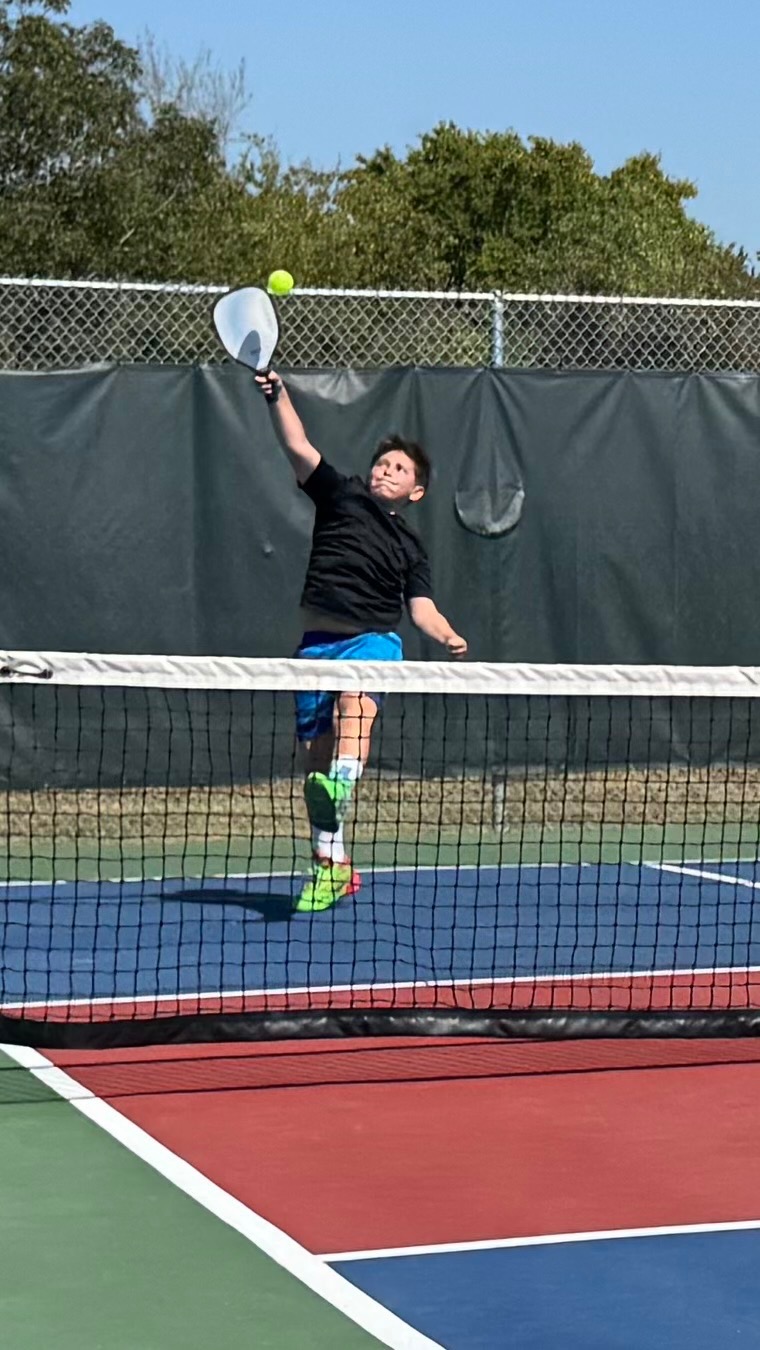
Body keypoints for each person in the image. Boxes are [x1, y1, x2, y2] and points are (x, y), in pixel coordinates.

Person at [255, 370, 467, 912]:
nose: (385, 469)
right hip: (315, 648)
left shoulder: (410, 546)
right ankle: (333, 866)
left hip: (373, 640)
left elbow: (421, 608)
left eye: (399, 468)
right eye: (383, 462)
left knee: (356, 707)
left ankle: (344, 785)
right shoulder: (341, 494)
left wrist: (447, 635)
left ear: (415, 490)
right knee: (313, 763)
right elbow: (297, 444)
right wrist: (278, 394)